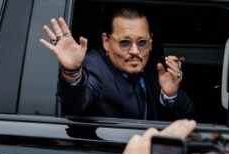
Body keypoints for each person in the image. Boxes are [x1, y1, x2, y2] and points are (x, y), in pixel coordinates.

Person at [40, 7, 194, 120]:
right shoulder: (94, 67)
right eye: (125, 43)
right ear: (106, 42)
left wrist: (170, 96)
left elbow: (190, 121)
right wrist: (72, 72)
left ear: (151, 42)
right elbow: (77, 100)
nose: (135, 51)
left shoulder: (156, 69)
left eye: (142, 42)